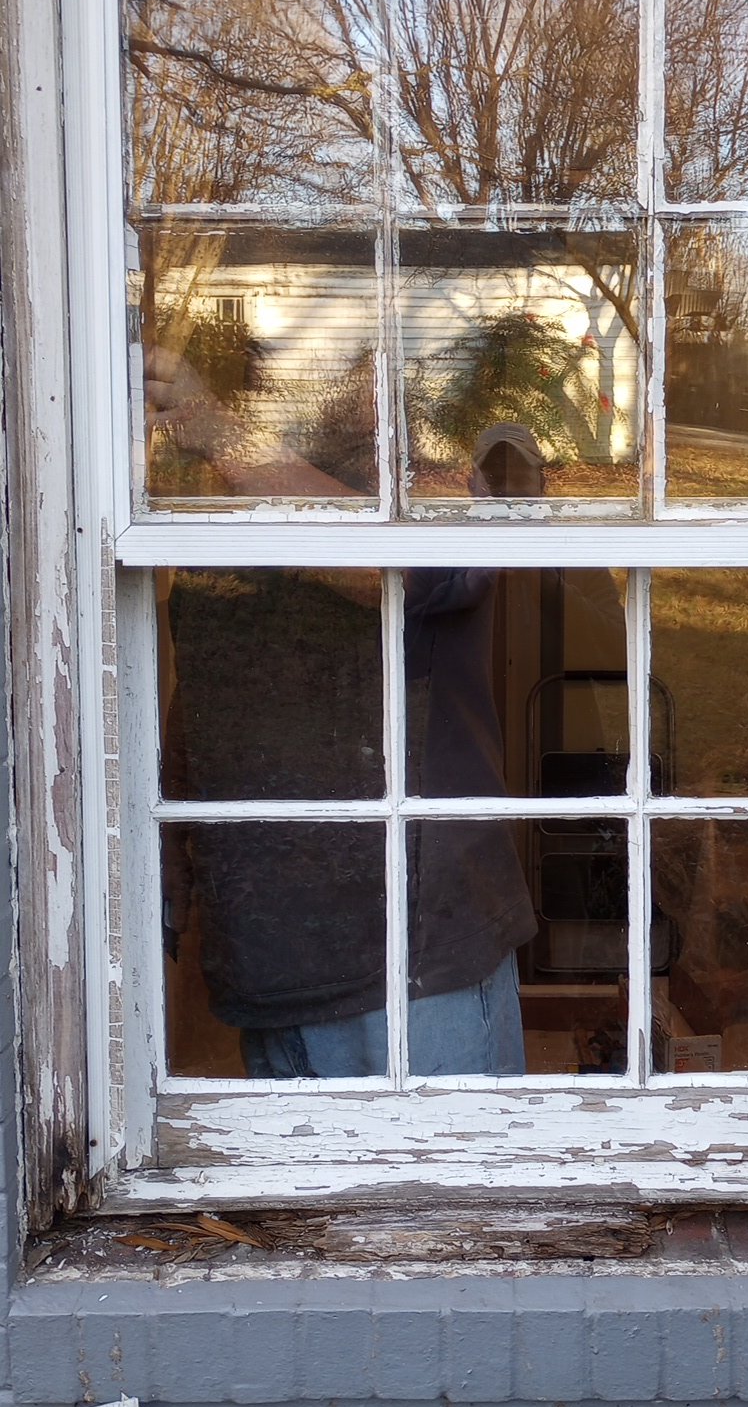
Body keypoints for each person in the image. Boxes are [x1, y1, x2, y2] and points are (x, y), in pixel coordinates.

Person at [150, 347, 537, 1077]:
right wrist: (170, 858)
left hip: (418, 977)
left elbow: (409, 568)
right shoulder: (231, 521)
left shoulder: (443, 488)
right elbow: (203, 685)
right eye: (329, 381)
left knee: (443, 1194)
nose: (352, 397)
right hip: (268, 969)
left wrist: (225, 436)